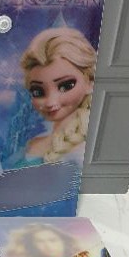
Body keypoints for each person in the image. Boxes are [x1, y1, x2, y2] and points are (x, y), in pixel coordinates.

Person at [19, 27, 96, 164]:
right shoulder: (33, 143)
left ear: (90, 81)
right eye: (38, 92)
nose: (50, 102)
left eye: (65, 86)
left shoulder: (84, 150)